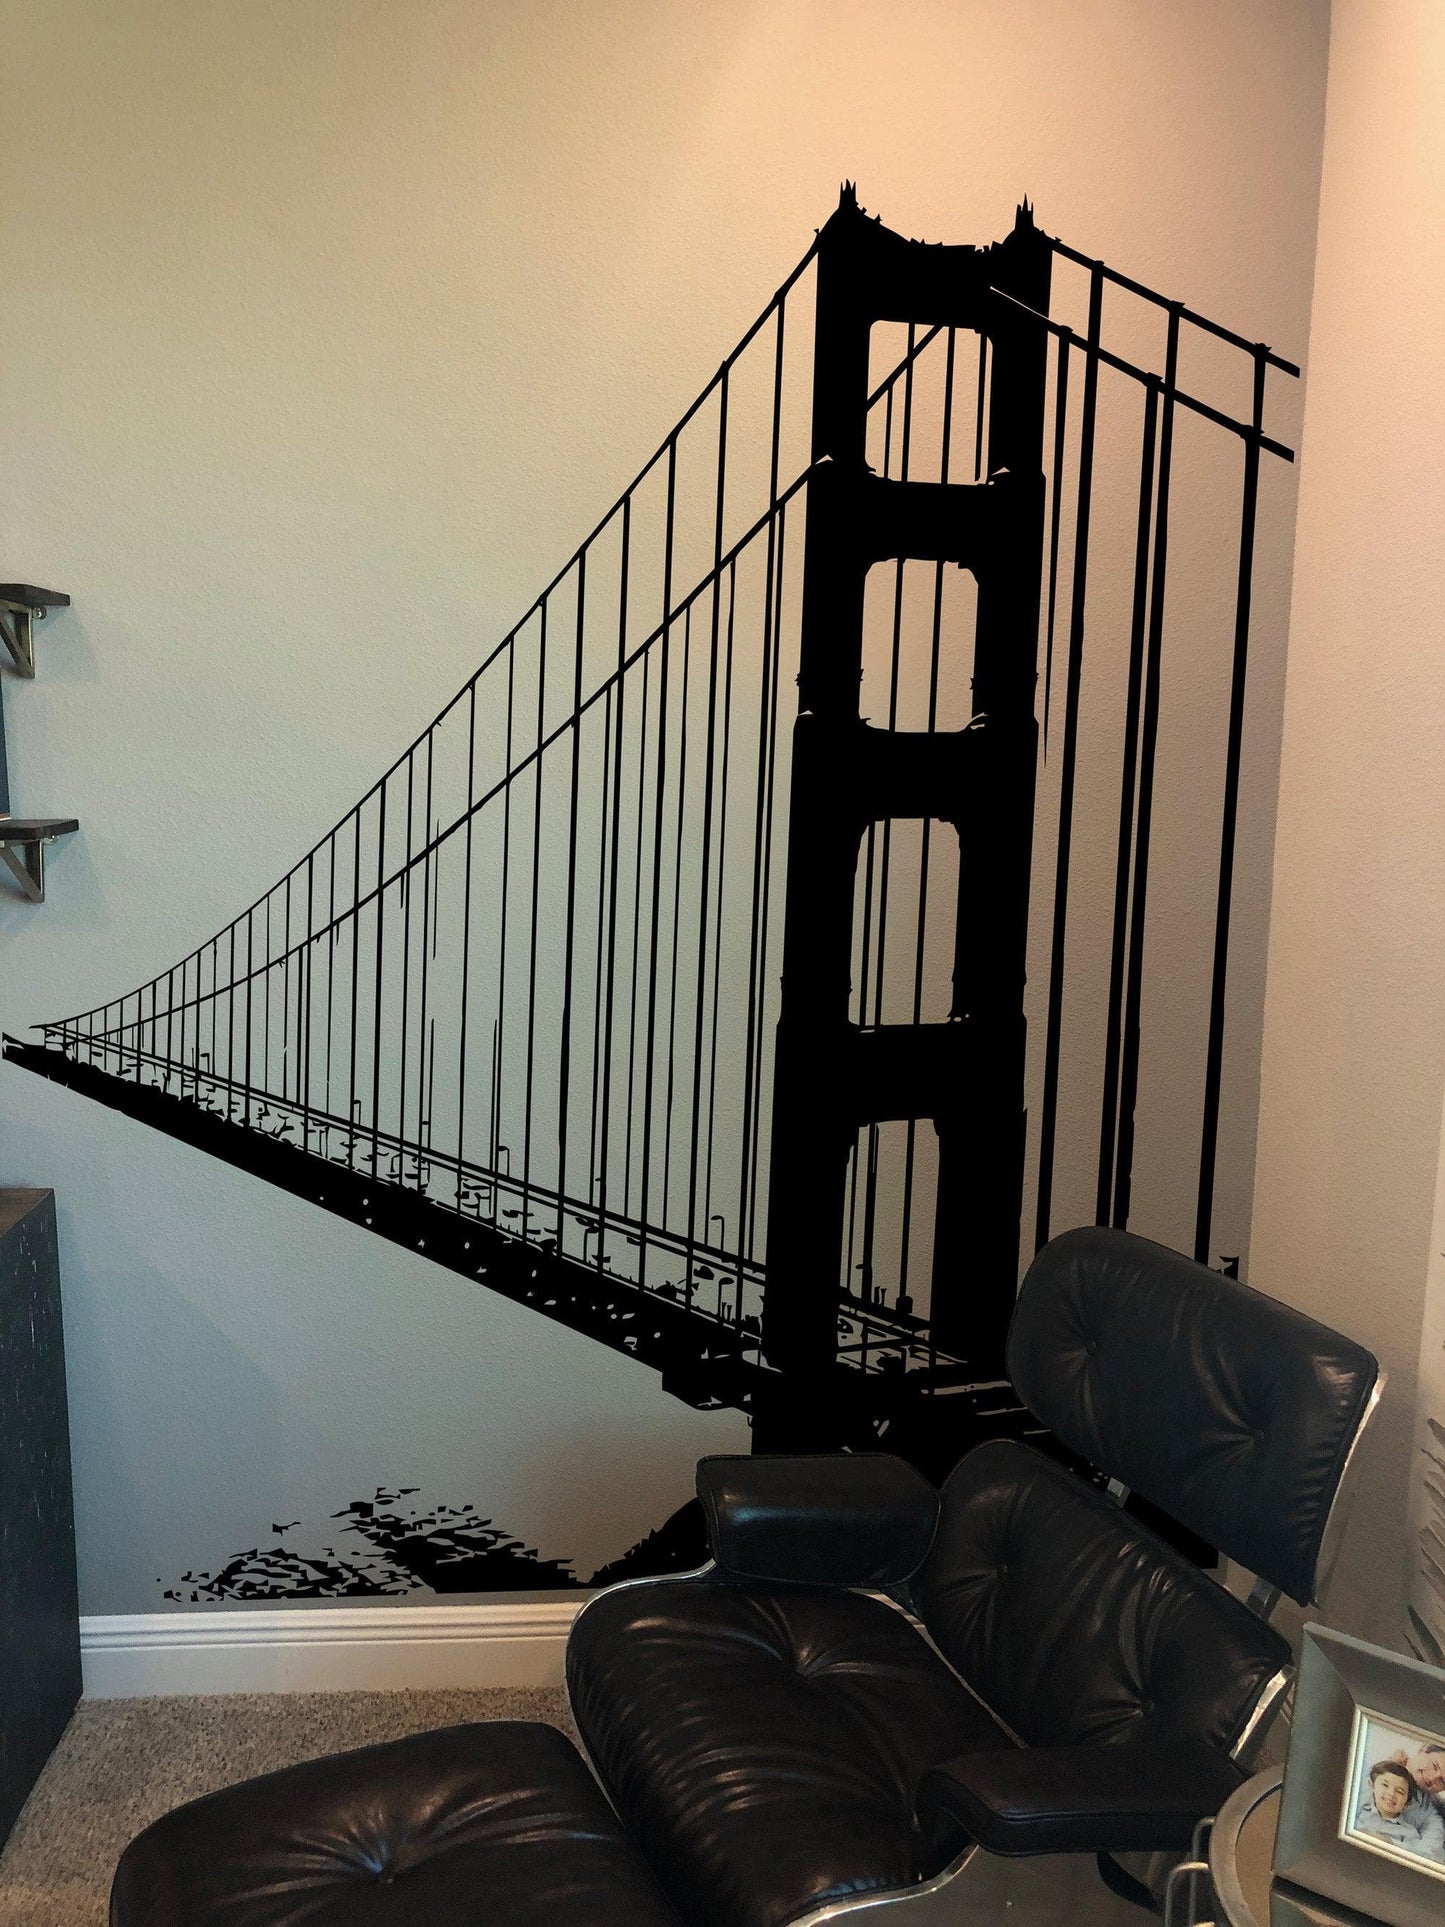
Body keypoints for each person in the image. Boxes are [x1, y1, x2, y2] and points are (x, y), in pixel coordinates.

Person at [1354, 1760, 1445, 1864]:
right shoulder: (1360, 1810)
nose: (1391, 1794)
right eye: (1385, 1785)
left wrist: (1388, 1842)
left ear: (1407, 1804)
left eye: (1399, 1791)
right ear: (1372, 1785)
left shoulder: (1408, 1832)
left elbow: (1415, 1857)